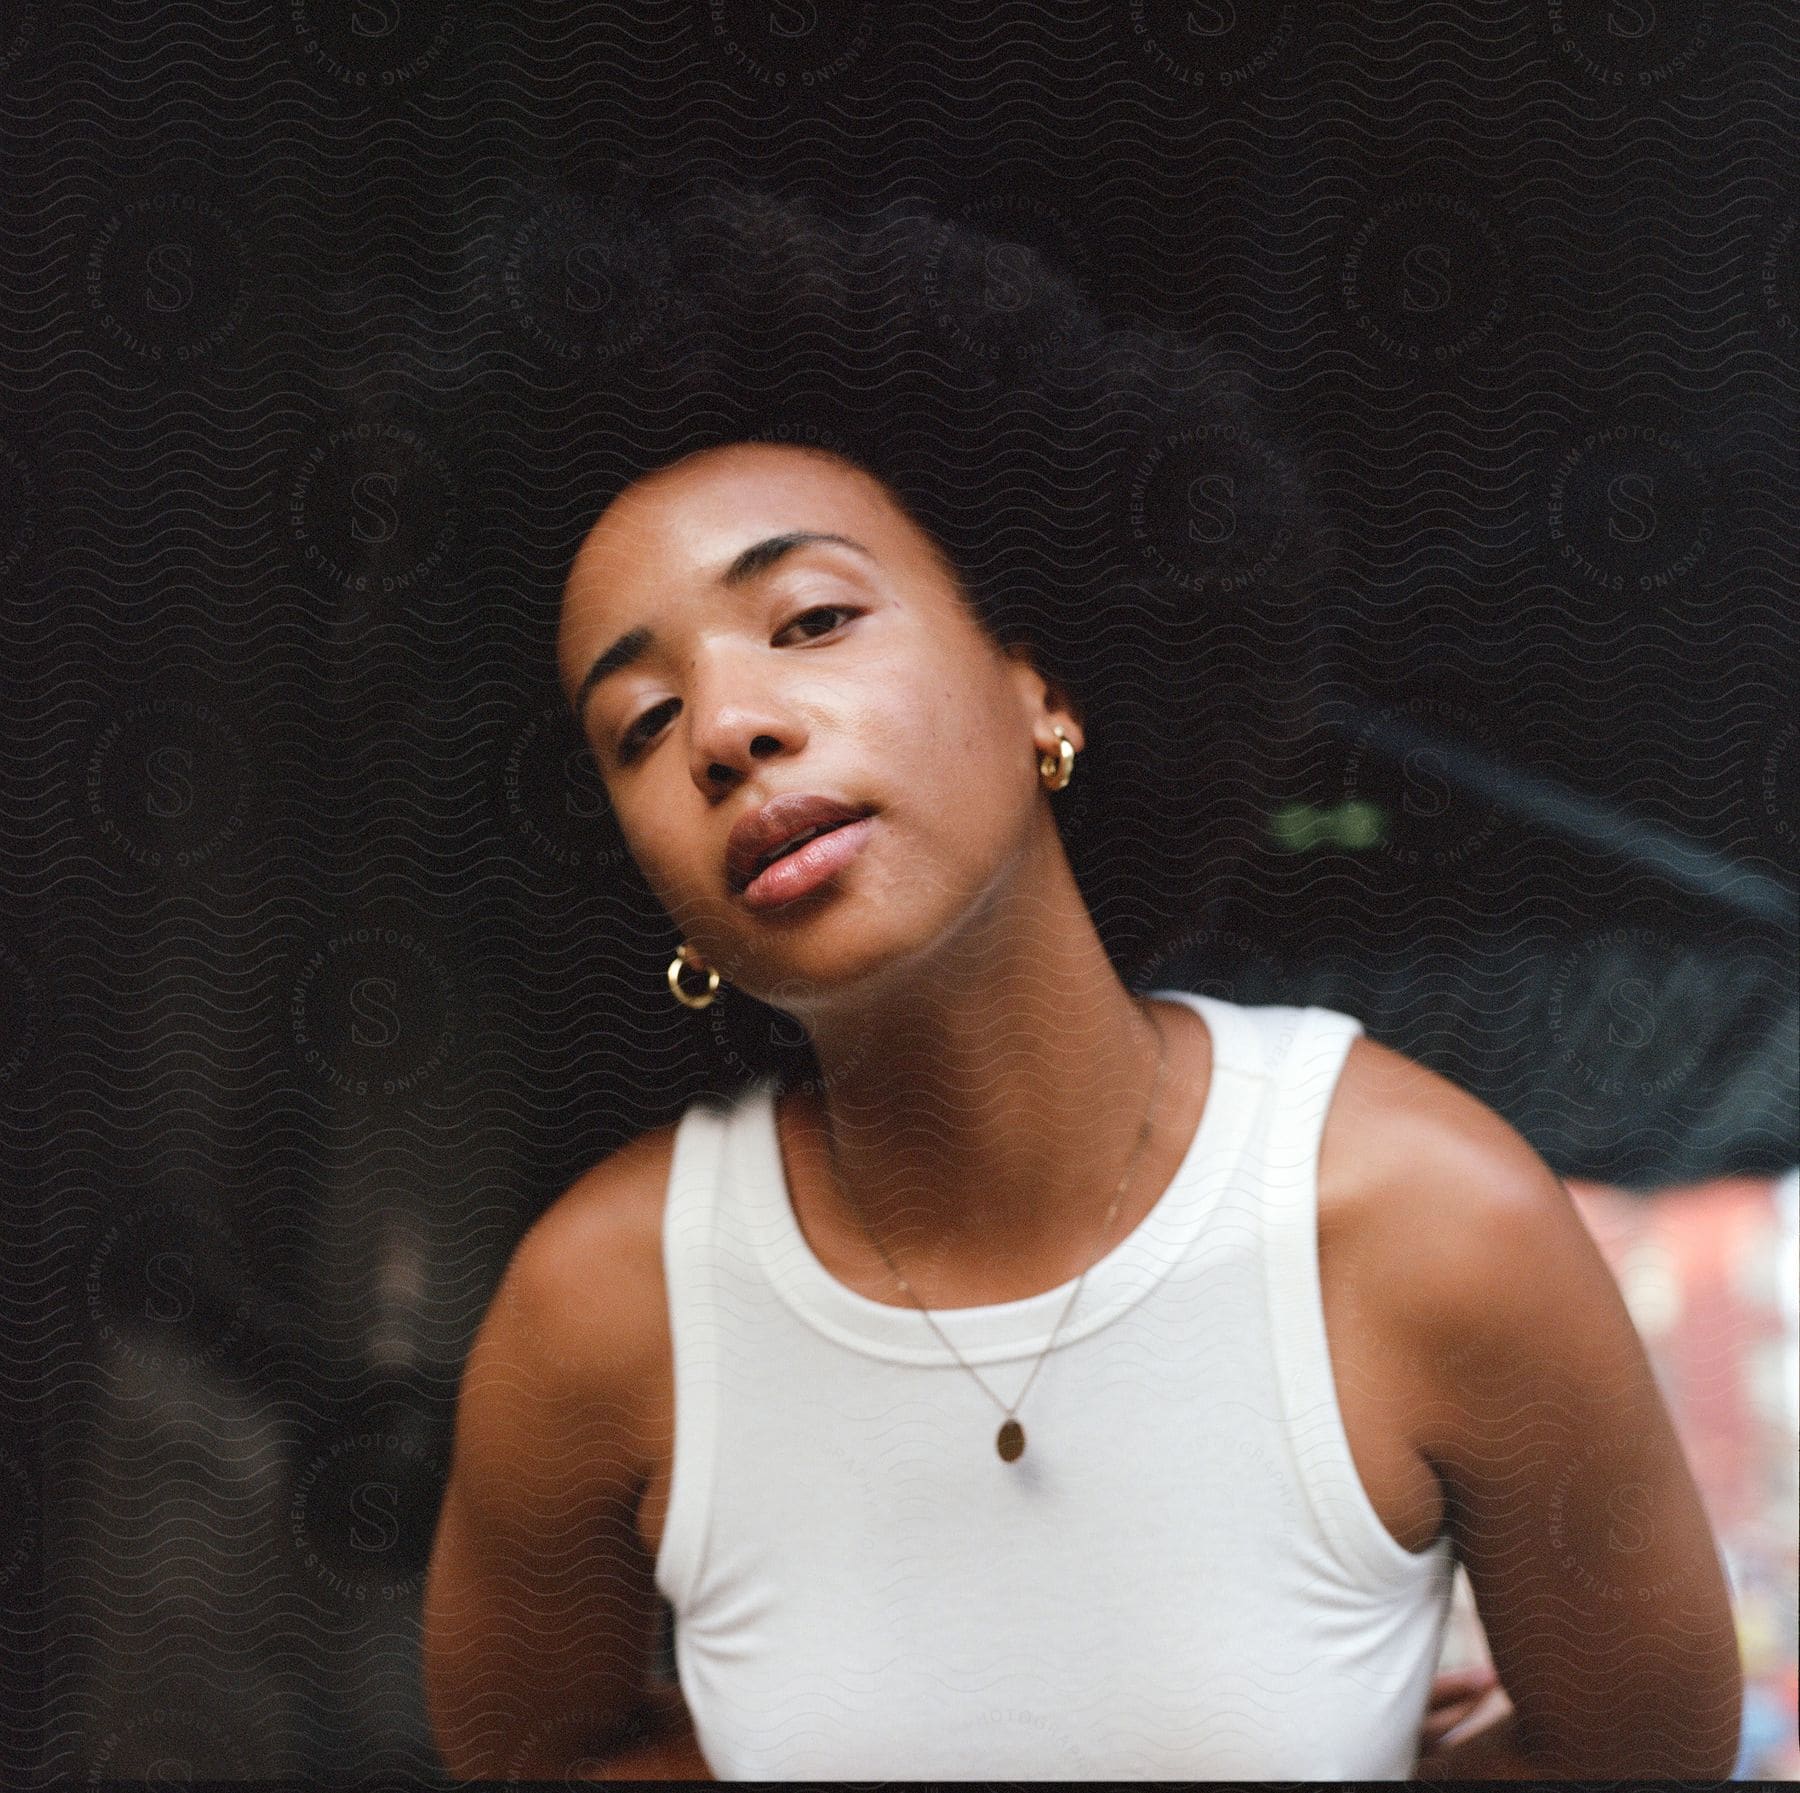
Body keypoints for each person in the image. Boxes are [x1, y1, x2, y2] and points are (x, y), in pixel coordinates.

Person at [419, 181, 1741, 1780]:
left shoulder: (1430, 1224)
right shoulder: (604, 1313)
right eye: (639, 723)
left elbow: (1649, 1759)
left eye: (812, 617)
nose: (725, 728)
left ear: (1040, 682)